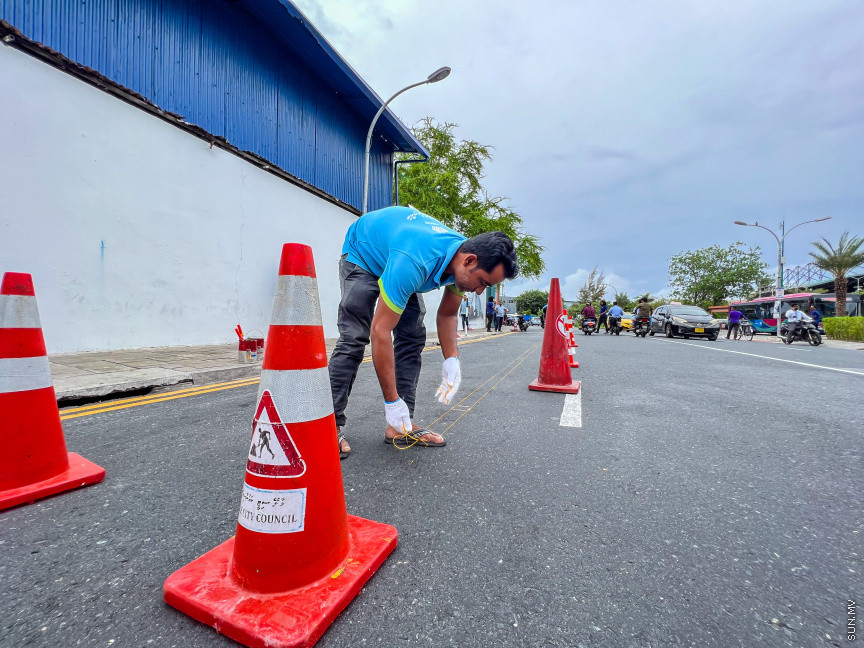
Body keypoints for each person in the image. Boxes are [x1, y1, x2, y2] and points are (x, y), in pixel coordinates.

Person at [329, 206, 518, 459]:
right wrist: (391, 401)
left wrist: (452, 359)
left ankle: (400, 427)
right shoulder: (415, 261)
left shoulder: (461, 262)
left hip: (399, 251)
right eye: (483, 282)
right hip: (363, 251)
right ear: (470, 260)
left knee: (413, 336)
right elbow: (381, 331)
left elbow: (448, 314)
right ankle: (328, 425)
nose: (481, 291)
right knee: (355, 337)